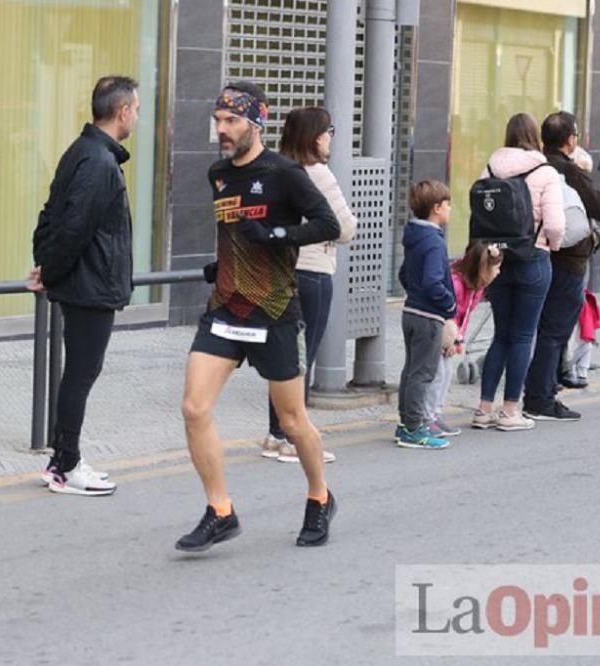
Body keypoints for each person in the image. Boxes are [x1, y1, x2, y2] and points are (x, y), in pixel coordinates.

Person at [176, 82, 341, 552]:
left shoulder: (285, 173)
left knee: (291, 421)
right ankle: (220, 510)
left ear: (256, 122)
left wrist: (276, 234)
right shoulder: (218, 175)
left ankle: (319, 496)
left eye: (231, 122)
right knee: (193, 408)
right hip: (226, 308)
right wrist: (222, 263)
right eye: (218, 120)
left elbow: (328, 225)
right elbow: (231, 230)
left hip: (273, 310)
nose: (221, 129)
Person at [27, 75, 141, 496]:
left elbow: (50, 215)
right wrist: (50, 270)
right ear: (123, 111)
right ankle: (66, 466)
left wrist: (45, 265)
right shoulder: (98, 161)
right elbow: (72, 226)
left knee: (77, 372)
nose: (137, 118)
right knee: (80, 374)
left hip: (82, 283)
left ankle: (64, 458)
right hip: (89, 287)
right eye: (137, 110)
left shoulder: (82, 151)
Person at [259, 107, 358, 464]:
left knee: (281, 356)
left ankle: (276, 434)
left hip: (277, 272)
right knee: (301, 359)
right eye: (329, 130)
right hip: (312, 273)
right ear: (317, 137)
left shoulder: (274, 169)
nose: (332, 137)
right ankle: (291, 437)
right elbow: (345, 228)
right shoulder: (318, 174)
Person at [522, 111, 600, 422]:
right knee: (555, 330)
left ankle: (542, 388)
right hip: (567, 261)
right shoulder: (568, 171)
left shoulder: (535, 166)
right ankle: (540, 398)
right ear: (570, 140)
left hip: (537, 256)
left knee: (541, 328)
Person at [473, 113, 565, 432]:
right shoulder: (545, 171)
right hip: (533, 257)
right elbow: (555, 224)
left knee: (501, 334)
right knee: (524, 335)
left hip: (497, 258)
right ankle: (511, 410)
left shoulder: (490, 167)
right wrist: (550, 245)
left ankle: (484, 408)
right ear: (534, 137)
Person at [394, 180, 457, 449]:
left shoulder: (414, 237)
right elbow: (434, 282)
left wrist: (416, 294)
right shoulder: (433, 241)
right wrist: (449, 306)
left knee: (411, 371)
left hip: (411, 311)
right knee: (424, 373)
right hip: (428, 317)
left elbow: (404, 274)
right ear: (436, 208)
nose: (450, 209)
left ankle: (406, 421)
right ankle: (414, 428)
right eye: (447, 204)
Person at [423, 240, 503, 438]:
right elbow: (448, 314)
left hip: (452, 333)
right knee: (437, 375)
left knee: (446, 372)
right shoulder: (456, 285)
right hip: (439, 331)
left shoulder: (477, 287)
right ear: (484, 268)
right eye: (497, 268)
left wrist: (458, 339)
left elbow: (466, 316)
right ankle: (426, 416)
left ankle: (436, 413)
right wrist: (449, 339)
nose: (499, 272)